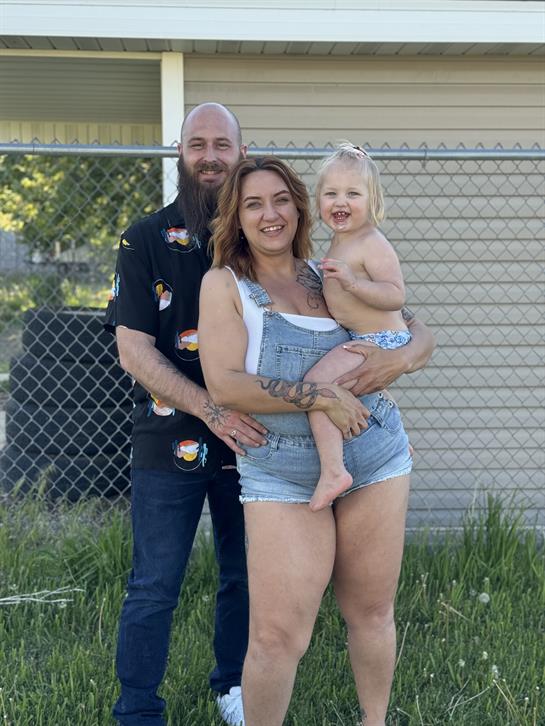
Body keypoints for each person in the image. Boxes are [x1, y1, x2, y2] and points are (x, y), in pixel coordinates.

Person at [198, 156, 435, 726]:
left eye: (281, 199)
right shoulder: (225, 284)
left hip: (375, 454)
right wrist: (321, 397)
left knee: (372, 612)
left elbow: (412, 325)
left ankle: (374, 720)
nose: (270, 214)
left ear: (299, 209)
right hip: (281, 472)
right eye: (254, 204)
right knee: (277, 637)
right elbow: (225, 385)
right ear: (236, 216)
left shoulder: (325, 271)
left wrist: (403, 358)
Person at [104, 103, 268, 726]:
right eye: (197, 144)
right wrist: (209, 410)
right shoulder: (143, 239)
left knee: (245, 575)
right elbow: (132, 350)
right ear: (180, 152)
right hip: (166, 436)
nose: (210, 157)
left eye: (222, 144)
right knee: (154, 585)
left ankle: (234, 686)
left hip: (253, 438)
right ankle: (138, 709)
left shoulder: (263, 237)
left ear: (241, 153)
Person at [305, 142, 412, 511]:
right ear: (318, 200)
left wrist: (353, 283)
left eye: (353, 194)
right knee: (364, 392)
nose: (341, 202)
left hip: (380, 340)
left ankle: (334, 472)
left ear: (372, 200)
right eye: (331, 194)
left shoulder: (371, 242)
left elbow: (395, 294)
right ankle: (396, 439)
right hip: (360, 336)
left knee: (317, 387)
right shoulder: (340, 242)